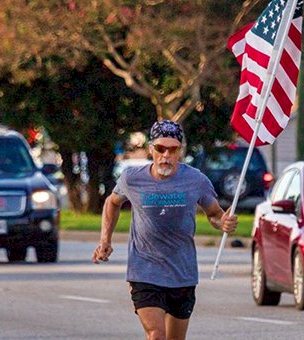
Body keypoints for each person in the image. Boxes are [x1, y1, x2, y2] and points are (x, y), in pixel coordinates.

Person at [92, 120, 238, 340]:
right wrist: (105, 240)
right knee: (156, 335)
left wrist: (223, 223)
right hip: (144, 271)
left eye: (172, 149)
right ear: (151, 149)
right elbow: (112, 203)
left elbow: (215, 214)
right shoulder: (132, 179)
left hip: (182, 273)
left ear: (181, 151)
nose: (165, 155)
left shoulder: (196, 180)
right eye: (160, 148)